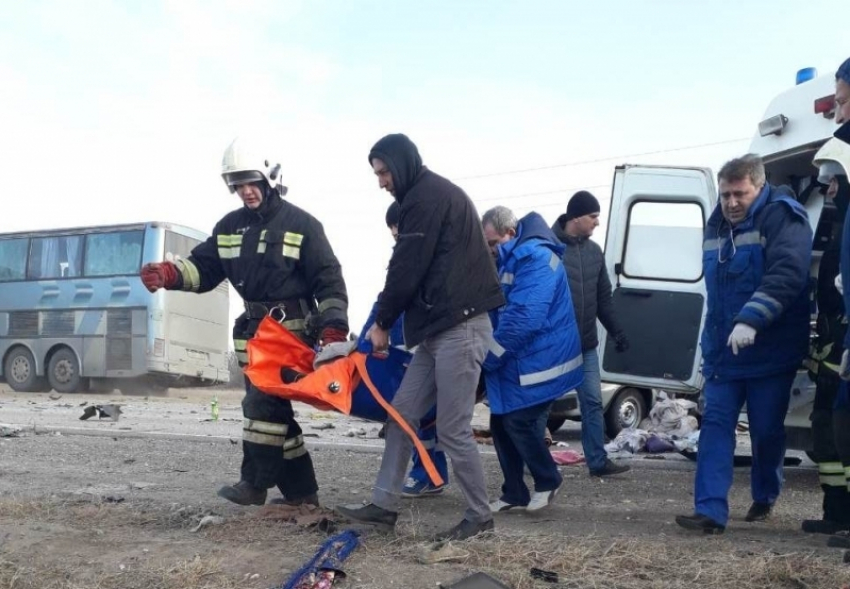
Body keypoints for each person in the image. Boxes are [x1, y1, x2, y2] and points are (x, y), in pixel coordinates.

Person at [140, 137, 349, 507]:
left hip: (290, 335)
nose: (246, 191)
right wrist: (170, 273)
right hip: (252, 336)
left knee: (261, 409)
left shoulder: (304, 225)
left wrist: (333, 332)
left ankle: (254, 484)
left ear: (269, 179)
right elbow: (204, 268)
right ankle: (303, 494)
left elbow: (329, 281)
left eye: (252, 182)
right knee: (274, 415)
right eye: (238, 184)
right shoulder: (229, 227)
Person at [335, 133, 505, 541]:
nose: (381, 182)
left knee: (452, 428)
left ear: (403, 162)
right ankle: (383, 505)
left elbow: (406, 268)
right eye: (377, 174)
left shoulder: (425, 199)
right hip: (437, 330)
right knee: (402, 414)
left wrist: (382, 324)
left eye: (384, 172)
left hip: (460, 330)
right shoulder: (428, 196)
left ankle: (480, 516)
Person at [676, 154, 812, 534]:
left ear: (759, 186)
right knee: (716, 426)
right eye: (725, 195)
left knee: (766, 431)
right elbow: (717, 292)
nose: (731, 202)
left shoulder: (783, 216)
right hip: (725, 353)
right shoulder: (717, 224)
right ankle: (710, 511)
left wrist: (752, 319)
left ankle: (765, 494)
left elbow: (788, 272)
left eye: (740, 194)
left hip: (771, 352)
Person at [481, 206, 583, 513]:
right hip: (523, 360)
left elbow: (524, 318)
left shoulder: (535, 258)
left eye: (494, 243)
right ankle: (514, 491)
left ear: (510, 233)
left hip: (542, 362)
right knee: (500, 423)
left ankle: (548, 479)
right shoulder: (515, 257)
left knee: (519, 422)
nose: (491, 251)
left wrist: (489, 356)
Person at [371, 201, 450, 497]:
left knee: (421, 417)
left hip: (421, 347)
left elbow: (392, 298)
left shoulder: (420, 254)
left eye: (396, 228)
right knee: (423, 418)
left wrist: (376, 331)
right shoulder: (413, 254)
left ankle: (428, 475)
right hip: (413, 346)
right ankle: (430, 474)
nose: (394, 234)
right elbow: (387, 298)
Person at [551, 191, 631, 477]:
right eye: (593, 216)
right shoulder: (548, 247)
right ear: (576, 217)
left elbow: (604, 299)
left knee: (594, 402)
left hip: (585, 345)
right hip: (553, 346)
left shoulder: (595, 252)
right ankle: (532, 462)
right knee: (540, 406)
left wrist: (617, 332)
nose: (598, 222)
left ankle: (597, 462)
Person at [802, 137, 850, 536]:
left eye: (835, 181)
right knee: (826, 433)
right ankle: (836, 512)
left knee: (842, 431)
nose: (829, 189)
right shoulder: (839, 228)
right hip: (833, 349)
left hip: (844, 348)